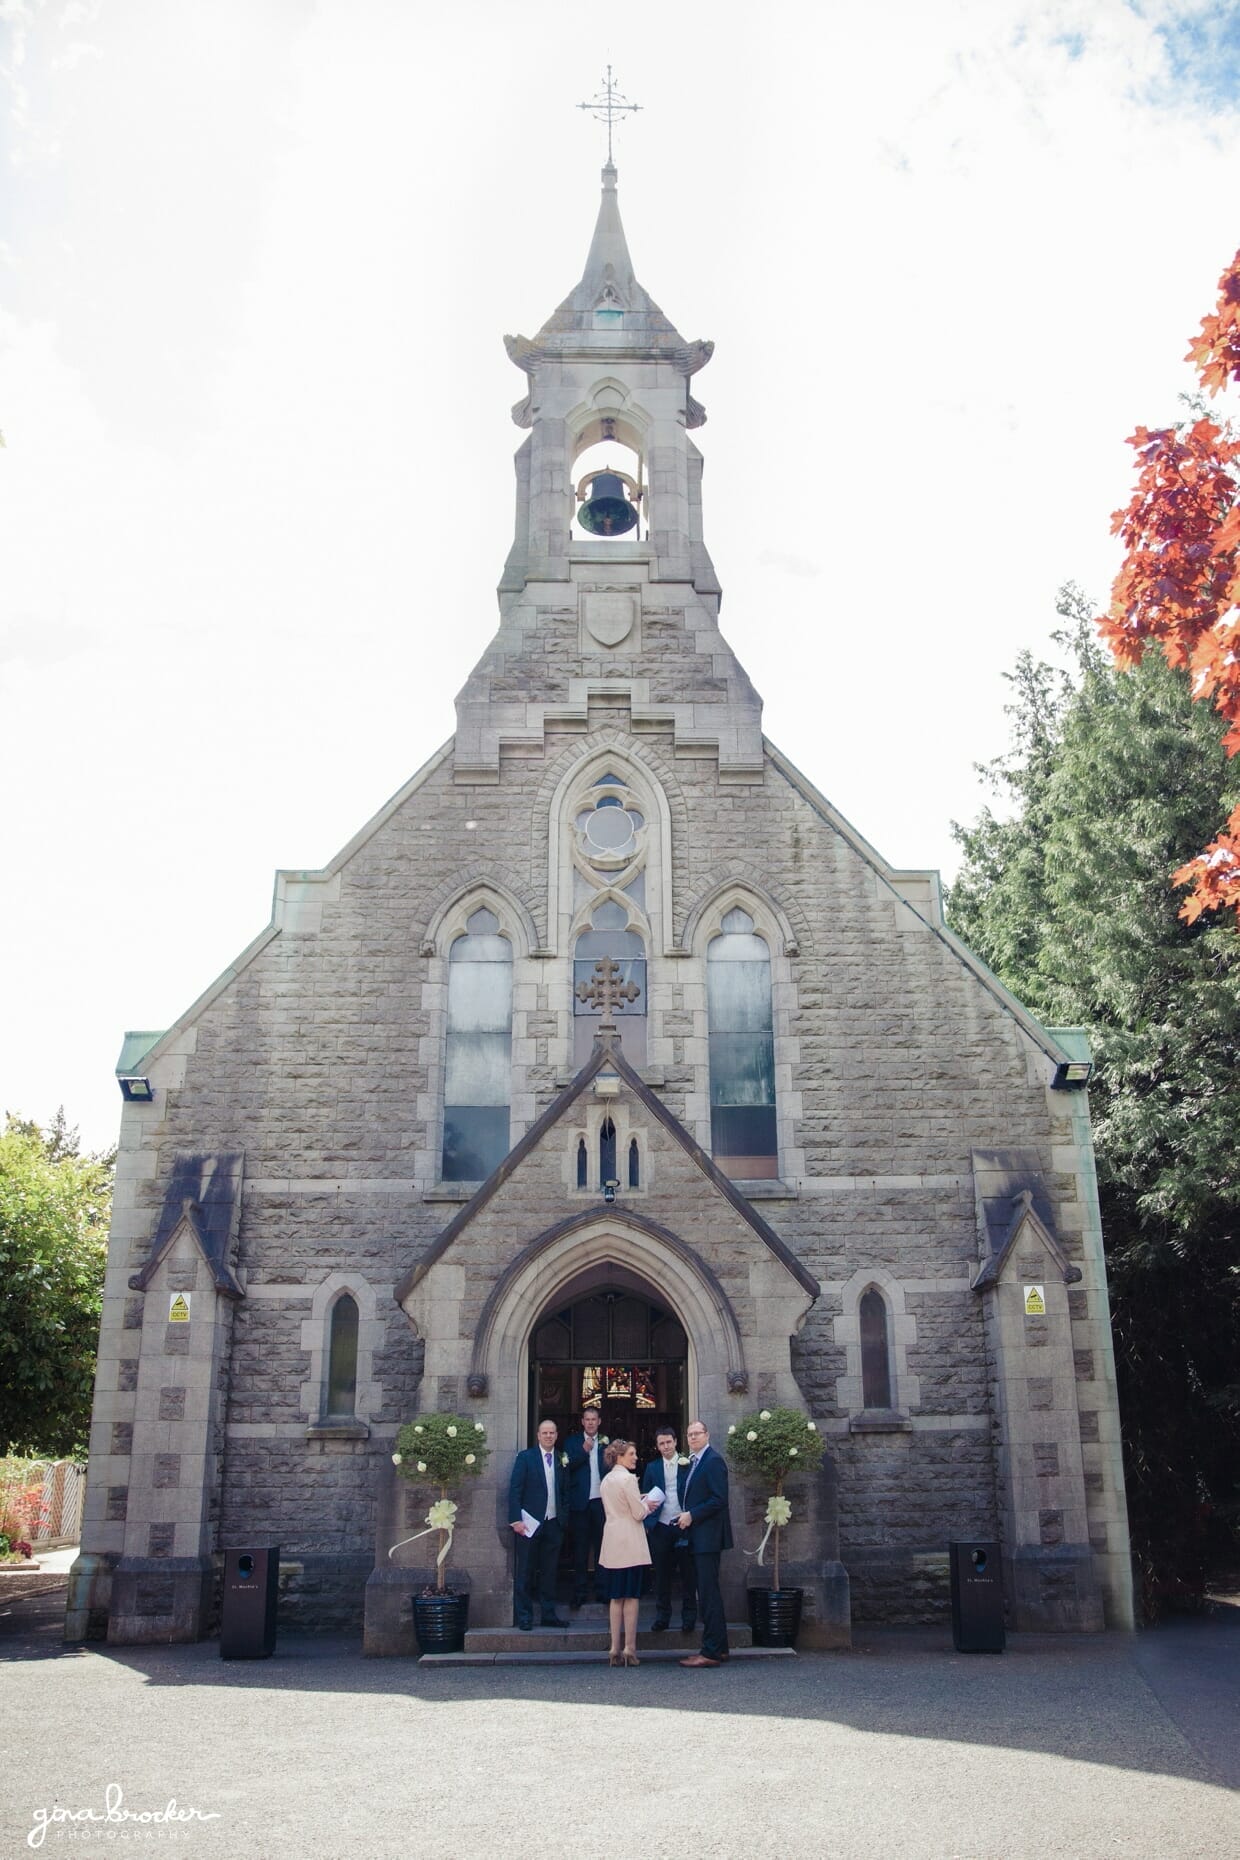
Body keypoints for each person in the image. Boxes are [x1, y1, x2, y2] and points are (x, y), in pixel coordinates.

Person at [676, 1419, 733, 1667]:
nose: (693, 1438)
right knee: (709, 1593)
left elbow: (719, 1499)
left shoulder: (713, 1461)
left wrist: (692, 1515)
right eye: (689, 1435)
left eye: (697, 1433)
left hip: (708, 1538)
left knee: (708, 1594)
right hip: (697, 1537)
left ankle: (710, 1652)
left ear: (707, 1435)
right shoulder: (694, 1463)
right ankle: (719, 1648)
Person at [598, 1439, 660, 1665]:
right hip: (631, 1542)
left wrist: (639, 1501)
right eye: (631, 1454)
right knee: (632, 1597)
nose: (635, 1457)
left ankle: (614, 1647)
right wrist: (647, 1505)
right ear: (619, 1457)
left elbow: (619, 1506)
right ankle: (630, 1648)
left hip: (613, 1540)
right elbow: (637, 1514)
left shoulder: (606, 1480)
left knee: (616, 1597)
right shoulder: (628, 1479)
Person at [508, 1418, 570, 1631]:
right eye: (545, 1433)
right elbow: (515, 1489)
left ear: (556, 1435)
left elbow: (564, 1490)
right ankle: (524, 1616)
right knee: (525, 1570)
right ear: (538, 1435)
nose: (549, 1436)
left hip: (553, 1524)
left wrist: (564, 1517)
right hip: (529, 1524)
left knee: (549, 1571)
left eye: (552, 1433)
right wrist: (515, 1519)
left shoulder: (562, 1458)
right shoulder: (526, 1458)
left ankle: (548, 1614)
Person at [640, 1425, 697, 1634]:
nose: (665, 1447)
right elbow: (645, 1497)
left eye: (668, 1442)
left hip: (683, 1524)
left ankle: (689, 1617)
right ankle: (662, 1616)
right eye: (661, 1444)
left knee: (688, 1574)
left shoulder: (687, 1464)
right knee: (662, 1575)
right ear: (657, 1446)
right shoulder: (652, 1468)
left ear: (675, 1441)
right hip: (660, 1527)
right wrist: (647, 1524)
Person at [563, 1406, 606, 1606]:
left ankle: (601, 1590)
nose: (590, 1422)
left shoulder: (608, 1443)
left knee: (602, 1548)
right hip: (580, 1504)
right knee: (580, 1550)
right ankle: (579, 1592)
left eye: (593, 1419)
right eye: (587, 1419)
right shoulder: (572, 1442)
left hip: (602, 1503)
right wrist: (583, 1451)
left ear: (599, 1422)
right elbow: (565, 1466)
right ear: (582, 1422)